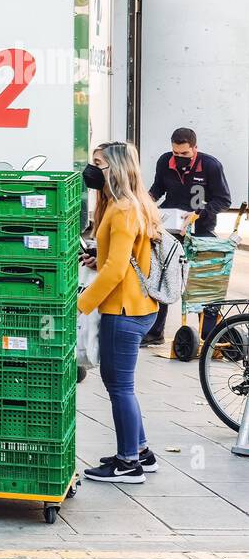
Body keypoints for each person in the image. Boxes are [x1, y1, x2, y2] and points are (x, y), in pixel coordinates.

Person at [79, 141, 163, 484]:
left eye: (98, 163)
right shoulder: (128, 203)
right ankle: (140, 450)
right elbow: (125, 257)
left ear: (115, 167)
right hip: (137, 306)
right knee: (120, 385)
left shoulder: (124, 208)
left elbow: (115, 271)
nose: (92, 169)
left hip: (125, 309)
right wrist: (98, 258)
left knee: (119, 387)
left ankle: (128, 463)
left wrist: (81, 306)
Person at [142, 127, 232, 345]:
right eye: (176, 154)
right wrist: (145, 202)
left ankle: (208, 334)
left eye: (185, 154)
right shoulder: (165, 162)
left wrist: (199, 213)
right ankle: (155, 332)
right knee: (162, 277)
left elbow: (224, 200)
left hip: (200, 229)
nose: (180, 158)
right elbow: (158, 188)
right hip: (171, 229)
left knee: (203, 281)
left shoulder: (210, 165)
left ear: (194, 149)